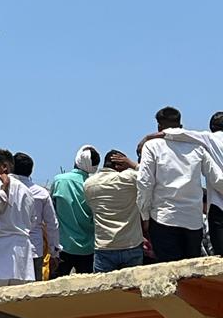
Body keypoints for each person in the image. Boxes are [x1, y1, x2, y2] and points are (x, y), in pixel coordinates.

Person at [137, 106, 223, 262]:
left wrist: (144, 215)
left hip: (164, 218)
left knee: (170, 274)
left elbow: (145, 183)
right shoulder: (197, 147)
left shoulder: (152, 146)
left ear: (159, 126)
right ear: (181, 124)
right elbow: (217, 179)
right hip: (193, 222)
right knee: (191, 276)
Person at [161, 112, 223, 255]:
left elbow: (182, 134)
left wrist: (156, 135)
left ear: (212, 127)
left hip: (218, 206)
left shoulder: (210, 138)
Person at [83, 150, 144, 273]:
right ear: (119, 165)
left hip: (104, 246)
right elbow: (151, 174)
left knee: (104, 291)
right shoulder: (130, 178)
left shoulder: (89, 184)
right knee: (132, 291)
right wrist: (132, 165)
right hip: (131, 245)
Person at [50, 146, 99, 275]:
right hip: (88, 248)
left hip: (63, 245)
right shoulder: (93, 184)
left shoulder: (59, 180)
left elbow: (51, 211)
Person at [12, 152, 60, 281]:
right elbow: (52, 224)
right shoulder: (41, 193)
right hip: (34, 249)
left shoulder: (2, 189)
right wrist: (54, 251)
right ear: (31, 171)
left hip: (8, 250)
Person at [0, 150, 35, 286]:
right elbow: (32, 221)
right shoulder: (27, 191)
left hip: (0, 249)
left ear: (4, 166)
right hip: (23, 254)